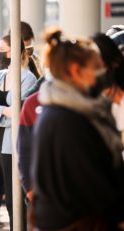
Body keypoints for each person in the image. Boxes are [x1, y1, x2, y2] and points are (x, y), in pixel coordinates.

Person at [31, 29, 124, 230]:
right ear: (75, 70)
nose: (102, 72)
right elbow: (93, 184)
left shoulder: (60, 111)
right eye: (97, 67)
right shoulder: (67, 119)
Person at [0, 34, 36, 231]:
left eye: (3, 50)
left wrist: (0, 111)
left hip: (12, 143)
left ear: (16, 51)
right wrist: (5, 111)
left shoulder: (28, 78)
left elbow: (20, 112)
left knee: (14, 198)